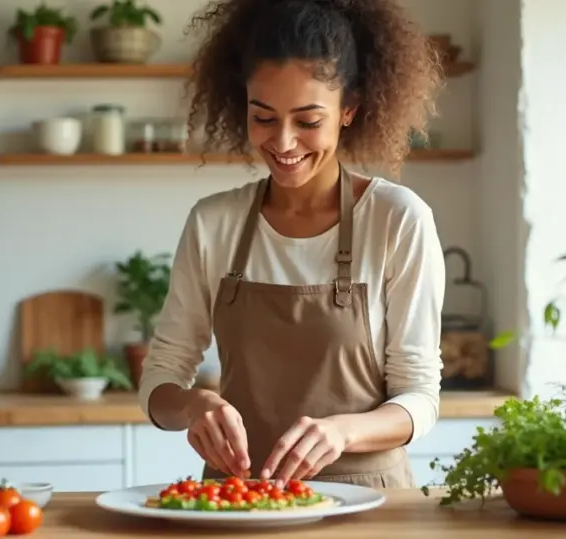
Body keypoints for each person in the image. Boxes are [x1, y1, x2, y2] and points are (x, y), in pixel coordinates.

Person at [138, 0, 446, 489]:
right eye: (263, 117)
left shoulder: (397, 219)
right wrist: (193, 405)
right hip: (237, 499)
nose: (282, 142)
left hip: (365, 502)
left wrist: (343, 432)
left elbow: (420, 398)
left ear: (349, 109)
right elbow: (161, 378)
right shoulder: (213, 222)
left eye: (307, 121)